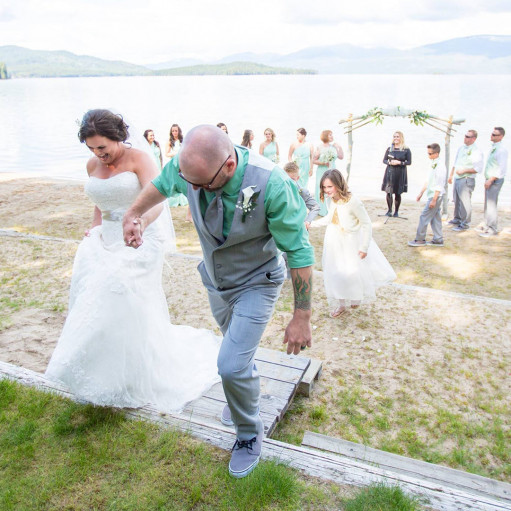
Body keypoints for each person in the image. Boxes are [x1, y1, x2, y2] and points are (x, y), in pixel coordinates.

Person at [123, 125, 314, 479]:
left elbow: (299, 253)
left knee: (228, 364)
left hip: (258, 282)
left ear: (228, 166)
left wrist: (301, 315)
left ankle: (248, 434)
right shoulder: (190, 167)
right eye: (188, 180)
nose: (191, 189)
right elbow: (162, 187)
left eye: (201, 184)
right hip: (215, 281)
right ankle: (244, 398)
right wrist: (133, 214)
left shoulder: (271, 184)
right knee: (237, 356)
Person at [45, 109, 221, 413]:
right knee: (96, 300)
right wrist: (95, 228)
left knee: (119, 290)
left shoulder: (140, 159)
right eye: (91, 149)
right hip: (107, 239)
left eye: (102, 147)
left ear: (117, 137)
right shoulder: (92, 165)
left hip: (142, 237)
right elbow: (101, 205)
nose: (98, 154)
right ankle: (101, 372)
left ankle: (135, 375)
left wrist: (139, 223)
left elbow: (159, 199)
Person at [312, 170, 396, 318]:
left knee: (352, 271)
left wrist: (364, 247)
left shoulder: (353, 201)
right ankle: (341, 304)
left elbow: (366, 224)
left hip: (350, 241)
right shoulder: (332, 200)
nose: (327, 191)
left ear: (338, 184)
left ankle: (356, 296)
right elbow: (329, 218)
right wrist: (310, 224)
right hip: (333, 240)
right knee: (335, 272)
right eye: (324, 188)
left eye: (330, 187)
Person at [408, 143, 447, 247]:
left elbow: (439, 184)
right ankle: (438, 239)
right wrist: (421, 192)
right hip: (431, 194)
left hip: (436, 195)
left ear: (437, 153)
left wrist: (434, 199)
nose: (428, 156)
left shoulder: (440, 166)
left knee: (424, 216)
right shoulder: (433, 163)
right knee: (435, 217)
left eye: (430, 154)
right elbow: (428, 180)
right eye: (428, 153)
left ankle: (420, 239)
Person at [448, 129, 483, 231]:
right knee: (456, 200)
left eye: (468, 137)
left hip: (467, 179)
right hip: (457, 178)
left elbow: (478, 169)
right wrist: (451, 175)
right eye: (465, 135)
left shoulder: (476, 151)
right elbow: (455, 162)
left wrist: (464, 171)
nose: (465, 138)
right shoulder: (461, 148)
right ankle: (457, 218)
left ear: (473, 139)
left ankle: (465, 224)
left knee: (465, 202)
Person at [477, 127, 507, 238]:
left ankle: (492, 229)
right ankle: (487, 225)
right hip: (489, 178)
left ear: (501, 137)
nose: (492, 136)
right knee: (487, 204)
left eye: (495, 135)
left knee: (491, 205)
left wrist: (491, 179)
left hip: (494, 180)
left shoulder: (501, 150)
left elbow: (501, 168)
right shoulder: (494, 147)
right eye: (492, 134)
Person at [312, 130, 344, 216]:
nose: (332, 136)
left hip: (332, 170)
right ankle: (322, 209)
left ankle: (332, 208)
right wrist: (323, 162)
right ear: (325, 136)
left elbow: (341, 157)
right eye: (330, 135)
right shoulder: (319, 147)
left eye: (332, 135)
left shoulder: (333, 147)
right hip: (322, 171)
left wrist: (339, 147)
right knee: (322, 189)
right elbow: (313, 160)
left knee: (334, 188)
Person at [381, 131, 412, 217]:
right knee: (389, 192)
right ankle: (389, 210)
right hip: (390, 171)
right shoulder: (389, 149)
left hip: (400, 172)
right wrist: (390, 162)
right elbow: (384, 160)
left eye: (398, 137)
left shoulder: (406, 149)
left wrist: (399, 162)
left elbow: (409, 162)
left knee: (398, 192)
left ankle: (396, 212)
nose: (396, 138)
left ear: (401, 138)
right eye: (394, 136)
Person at [283, 162, 319, 229]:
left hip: (299, 227)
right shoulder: (278, 190)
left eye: (292, 179)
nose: (289, 182)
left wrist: (308, 221)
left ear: (298, 178)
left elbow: (315, 207)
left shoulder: (303, 192)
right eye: (287, 179)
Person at [164, 124, 189, 212]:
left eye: (176, 131)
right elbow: (166, 154)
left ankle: (182, 199)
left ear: (179, 131)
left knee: (182, 179)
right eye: (173, 131)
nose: (174, 132)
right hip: (173, 162)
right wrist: (175, 153)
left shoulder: (182, 140)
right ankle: (173, 200)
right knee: (174, 180)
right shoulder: (170, 141)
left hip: (181, 163)